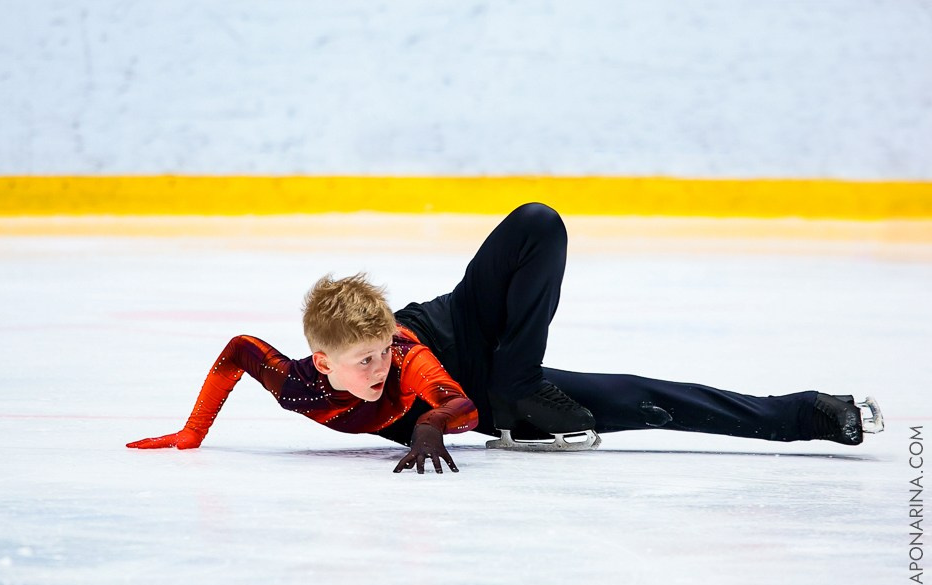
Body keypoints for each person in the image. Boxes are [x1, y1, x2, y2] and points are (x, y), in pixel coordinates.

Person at [126, 203, 882, 473]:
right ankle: (811, 412)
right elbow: (234, 352)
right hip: (492, 394)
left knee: (536, 222)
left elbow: (449, 401)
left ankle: (520, 381)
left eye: (384, 348)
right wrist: (193, 432)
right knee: (647, 400)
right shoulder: (293, 381)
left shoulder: (409, 357)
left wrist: (426, 418)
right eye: (363, 362)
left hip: (468, 336)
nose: (380, 367)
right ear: (319, 362)